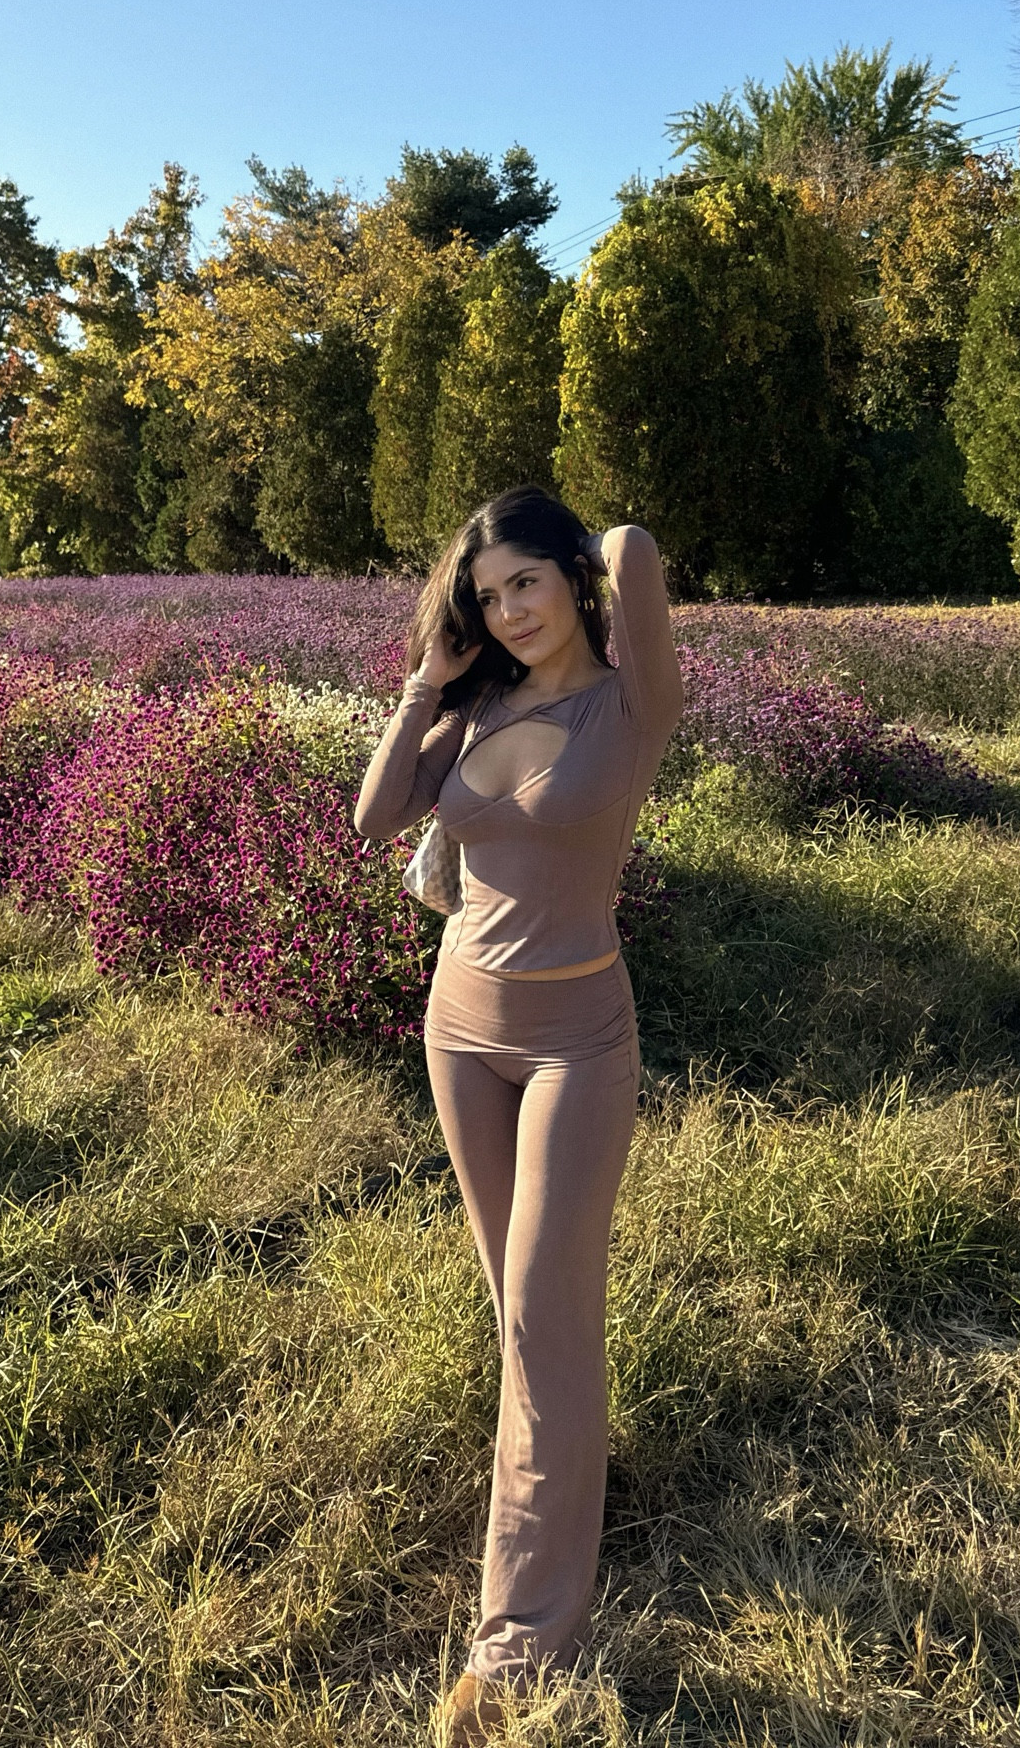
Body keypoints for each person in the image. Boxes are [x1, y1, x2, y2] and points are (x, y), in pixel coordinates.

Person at [353, 484, 683, 1741]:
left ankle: (517, 1649)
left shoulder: (631, 701)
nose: (509, 608)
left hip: (577, 1040)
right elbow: (377, 816)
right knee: (524, 1315)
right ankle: (583, 1463)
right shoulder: (479, 699)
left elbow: (634, 551)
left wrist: (567, 552)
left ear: (570, 580)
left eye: (526, 582)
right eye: (488, 594)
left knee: (543, 1321)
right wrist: (428, 679)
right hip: (459, 1031)